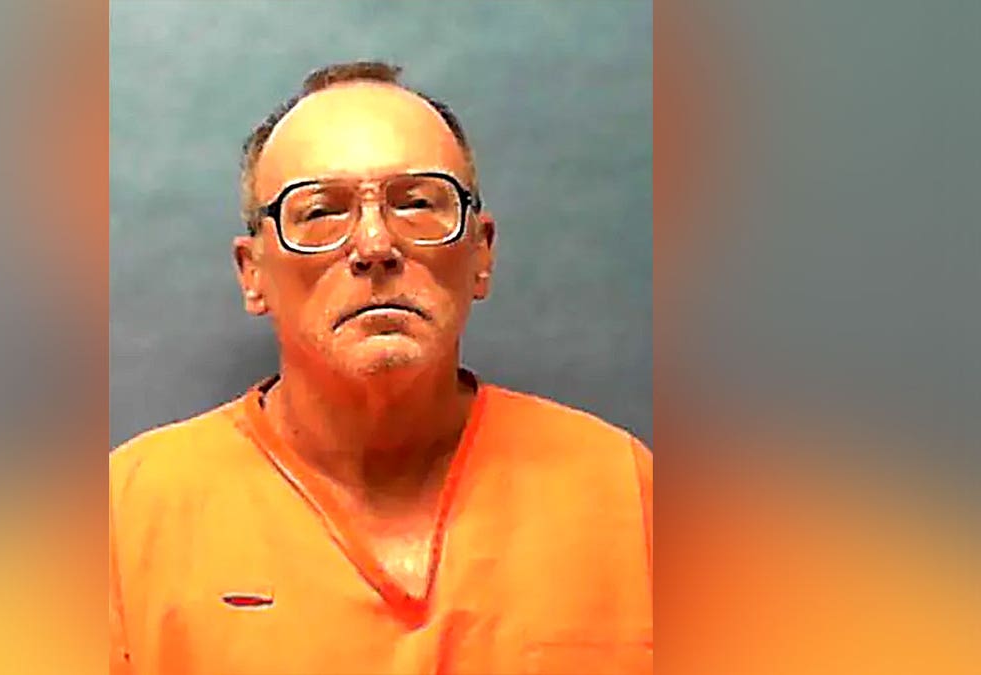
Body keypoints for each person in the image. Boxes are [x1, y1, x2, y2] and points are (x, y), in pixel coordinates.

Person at [109, 61, 652, 675]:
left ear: (481, 252)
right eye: (320, 212)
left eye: (417, 203)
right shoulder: (128, 516)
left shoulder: (622, 490)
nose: (374, 246)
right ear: (252, 272)